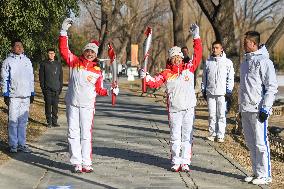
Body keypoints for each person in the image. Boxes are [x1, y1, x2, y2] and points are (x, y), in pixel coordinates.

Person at [59, 18, 119, 173]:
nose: (90, 54)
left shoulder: (97, 71)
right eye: (88, 51)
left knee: (86, 134)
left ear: (96, 54)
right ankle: (76, 163)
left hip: (87, 106)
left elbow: (100, 90)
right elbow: (64, 50)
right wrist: (63, 32)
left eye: (93, 52)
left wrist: (111, 91)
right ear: (84, 51)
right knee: (73, 132)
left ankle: (86, 162)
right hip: (72, 103)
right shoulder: (74, 62)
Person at [140, 24, 202, 172]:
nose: (176, 60)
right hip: (174, 109)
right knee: (175, 136)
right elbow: (155, 83)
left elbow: (198, 53)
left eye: (178, 57)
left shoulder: (189, 67)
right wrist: (145, 77)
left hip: (189, 108)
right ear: (170, 59)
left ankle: (185, 162)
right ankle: (175, 161)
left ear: (182, 58)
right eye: (173, 58)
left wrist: (196, 37)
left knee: (187, 136)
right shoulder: (166, 73)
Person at [240, 31, 278, 185]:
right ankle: (256, 172)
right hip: (246, 108)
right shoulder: (245, 63)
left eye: (246, 42)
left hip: (258, 110)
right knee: (250, 143)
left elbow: (271, 87)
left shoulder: (264, 61)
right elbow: (244, 88)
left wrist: (265, 108)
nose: (243, 44)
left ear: (254, 44)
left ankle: (265, 175)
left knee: (261, 143)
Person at [1, 39, 35, 153]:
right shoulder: (8, 61)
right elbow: (4, 78)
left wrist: (32, 92)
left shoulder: (27, 61)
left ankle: (22, 144)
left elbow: (31, 77)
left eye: (21, 46)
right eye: (17, 46)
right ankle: (13, 145)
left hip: (25, 95)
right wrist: (5, 93)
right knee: (13, 121)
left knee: (23, 121)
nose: (19, 48)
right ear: (12, 48)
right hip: (13, 95)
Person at [201, 41, 234, 143]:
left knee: (221, 115)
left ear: (221, 49)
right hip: (210, 92)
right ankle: (212, 134)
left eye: (217, 48)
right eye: (213, 48)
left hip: (222, 93)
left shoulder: (227, 62)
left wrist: (229, 90)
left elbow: (230, 78)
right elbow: (204, 78)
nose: (214, 49)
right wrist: (203, 89)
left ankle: (220, 135)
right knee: (211, 114)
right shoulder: (208, 62)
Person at [39, 48, 63, 128]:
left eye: (52, 53)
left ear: (55, 54)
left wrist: (60, 87)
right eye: (49, 53)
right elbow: (41, 78)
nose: (51, 55)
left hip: (56, 89)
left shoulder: (58, 64)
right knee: (48, 106)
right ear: (47, 54)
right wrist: (43, 88)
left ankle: (55, 122)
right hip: (47, 89)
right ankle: (49, 121)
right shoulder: (43, 64)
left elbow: (61, 77)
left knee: (55, 106)